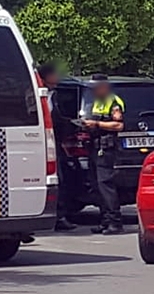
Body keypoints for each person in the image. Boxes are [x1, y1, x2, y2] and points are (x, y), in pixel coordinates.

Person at [84, 74, 126, 234]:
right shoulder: (97, 102)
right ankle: (105, 220)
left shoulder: (113, 101)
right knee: (97, 185)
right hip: (94, 146)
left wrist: (97, 124)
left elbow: (118, 125)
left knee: (105, 185)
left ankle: (115, 222)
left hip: (105, 148)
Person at [38, 64, 78, 232]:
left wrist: (72, 126)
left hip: (54, 144)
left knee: (58, 179)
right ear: (46, 77)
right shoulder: (36, 92)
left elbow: (57, 119)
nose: (58, 78)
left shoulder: (53, 94)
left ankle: (59, 216)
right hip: (39, 144)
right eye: (55, 75)